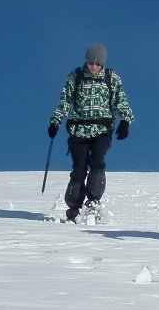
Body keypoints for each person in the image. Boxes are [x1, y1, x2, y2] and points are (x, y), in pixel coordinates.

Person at [48, 43, 135, 222]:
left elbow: (121, 101)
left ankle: (93, 201)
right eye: (91, 63)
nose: (94, 67)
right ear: (86, 61)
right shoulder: (75, 78)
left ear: (103, 63)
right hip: (79, 130)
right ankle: (74, 208)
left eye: (98, 63)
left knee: (97, 162)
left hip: (102, 129)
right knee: (79, 168)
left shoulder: (112, 78)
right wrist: (55, 122)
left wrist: (126, 120)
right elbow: (64, 102)